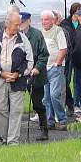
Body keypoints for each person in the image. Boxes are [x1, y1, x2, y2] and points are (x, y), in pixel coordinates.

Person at [0, 11, 34, 146]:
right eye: (16, 25)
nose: (18, 27)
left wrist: (18, 74)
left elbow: (30, 61)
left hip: (18, 80)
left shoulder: (23, 39)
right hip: (0, 78)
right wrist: (1, 73)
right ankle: (5, 137)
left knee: (16, 111)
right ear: (7, 24)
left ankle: (13, 142)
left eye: (20, 24)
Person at [19, 12, 50, 141]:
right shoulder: (16, 35)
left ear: (29, 21)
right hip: (19, 74)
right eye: (19, 21)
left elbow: (44, 54)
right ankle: (9, 132)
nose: (20, 24)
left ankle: (44, 129)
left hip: (35, 75)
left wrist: (37, 68)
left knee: (37, 103)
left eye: (23, 21)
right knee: (12, 103)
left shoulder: (37, 34)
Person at [41, 10, 68, 130]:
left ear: (52, 20)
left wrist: (57, 64)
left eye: (46, 19)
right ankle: (49, 121)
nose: (44, 22)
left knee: (54, 94)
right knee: (46, 97)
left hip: (55, 68)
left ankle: (62, 119)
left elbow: (63, 49)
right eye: (42, 19)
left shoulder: (58, 31)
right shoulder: (41, 32)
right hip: (44, 68)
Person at [60, 3, 80, 116]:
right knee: (66, 82)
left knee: (78, 82)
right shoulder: (65, 24)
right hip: (69, 56)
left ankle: (76, 104)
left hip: (80, 56)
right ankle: (70, 104)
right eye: (78, 12)